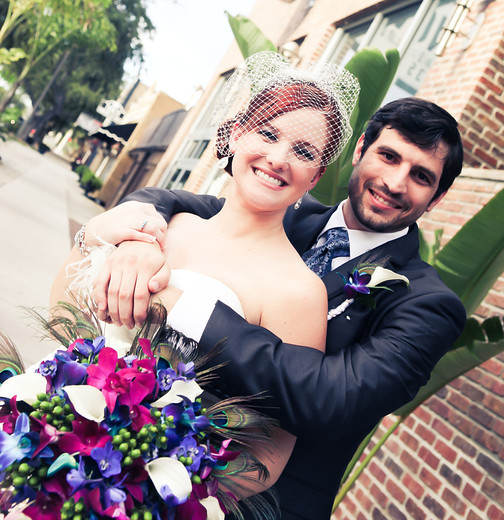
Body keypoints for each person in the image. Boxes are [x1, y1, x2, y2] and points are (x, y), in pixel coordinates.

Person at [87, 93, 467, 520]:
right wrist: (139, 236)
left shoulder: (429, 305)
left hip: (267, 504)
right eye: (388, 156)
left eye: (420, 175)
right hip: (136, 458)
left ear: (437, 196)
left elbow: (329, 399)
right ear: (360, 150)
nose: (395, 183)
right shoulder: (283, 210)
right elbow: (174, 202)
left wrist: (184, 306)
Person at [51, 51, 360, 510]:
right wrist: (53, 413)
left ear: (315, 175)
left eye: (303, 151)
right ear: (237, 132)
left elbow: (268, 452)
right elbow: (64, 312)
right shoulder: (161, 226)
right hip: (56, 455)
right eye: (268, 133)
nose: (278, 158)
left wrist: (159, 487)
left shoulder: (299, 292)